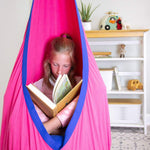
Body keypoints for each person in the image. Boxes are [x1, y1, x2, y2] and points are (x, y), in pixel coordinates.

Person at [33, 33, 81, 134]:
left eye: (65, 66)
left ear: (72, 65)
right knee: (28, 97)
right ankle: (56, 130)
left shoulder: (78, 81)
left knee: (83, 97)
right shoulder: (41, 83)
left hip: (68, 123)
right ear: (49, 62)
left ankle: (55, 125)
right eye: (55, 64)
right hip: (45, 121)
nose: (59, 71)